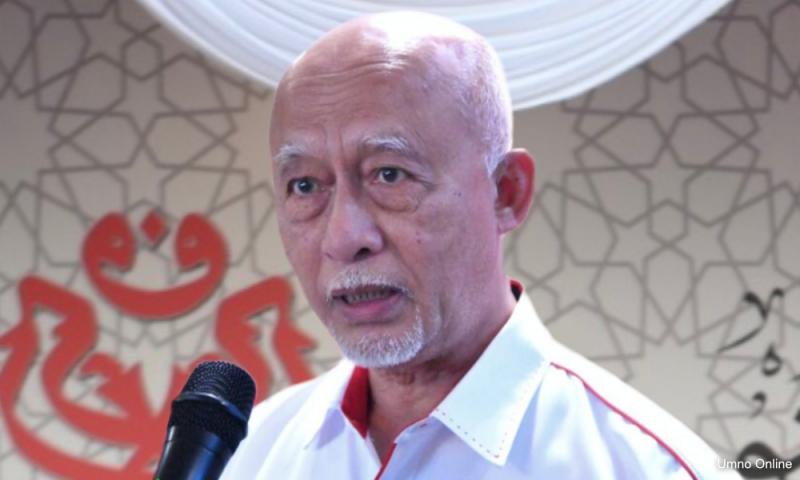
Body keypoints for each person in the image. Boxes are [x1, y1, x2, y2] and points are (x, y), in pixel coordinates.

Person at [222, 11, 739, 480]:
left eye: (390, 174)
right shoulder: (247, 457)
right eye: (305, 186)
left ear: (506, 191)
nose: (344, 238)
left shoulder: (643, 467)